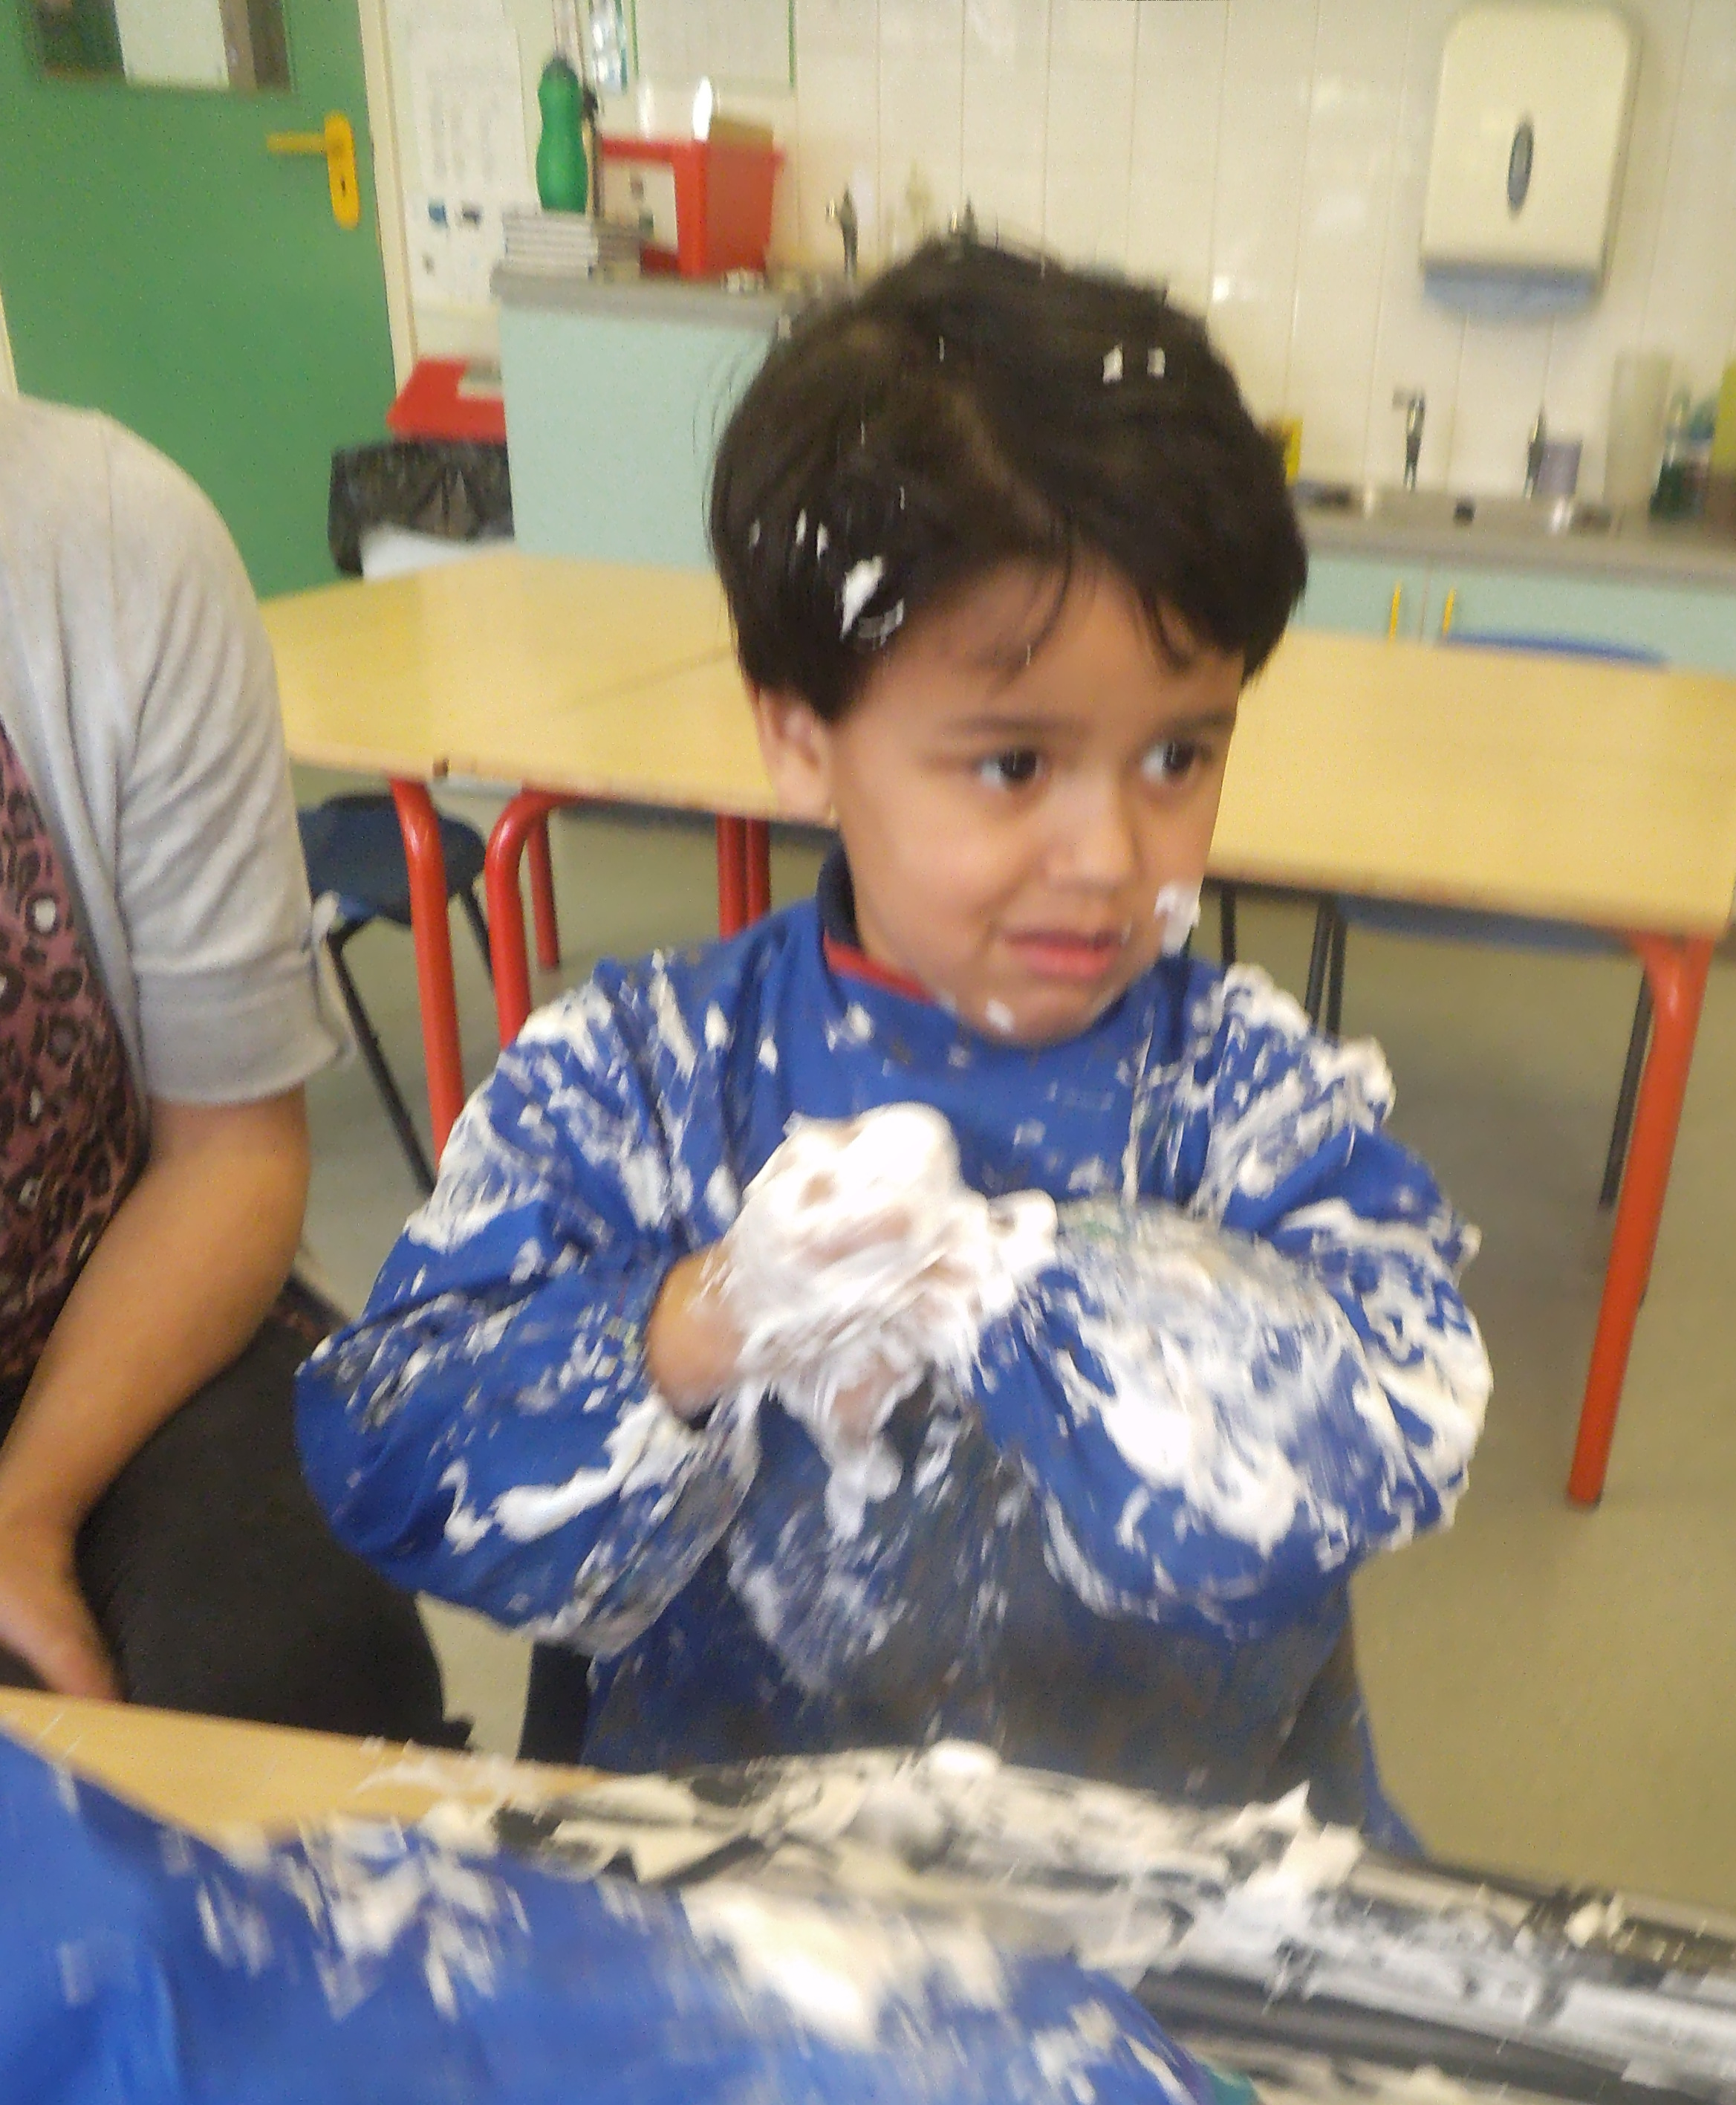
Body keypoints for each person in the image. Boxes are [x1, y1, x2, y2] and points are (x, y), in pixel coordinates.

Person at [296, 241, 1488, 1835]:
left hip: (1181, 1863)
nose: (1111, 854)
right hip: (740, 1870)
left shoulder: (1244, 1091)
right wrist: (709, 1318)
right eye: (1014, 766)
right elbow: (388, 1447)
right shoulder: (640, 1077)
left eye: (1179, 755)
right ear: (801, 737)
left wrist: (1032, 1285)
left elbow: (1401, 1406)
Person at [0, 392, 444, 1738]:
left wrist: (26, 1514)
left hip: (90, 1305)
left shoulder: (107, 543)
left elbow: (229, 1153)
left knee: (294, 1664)